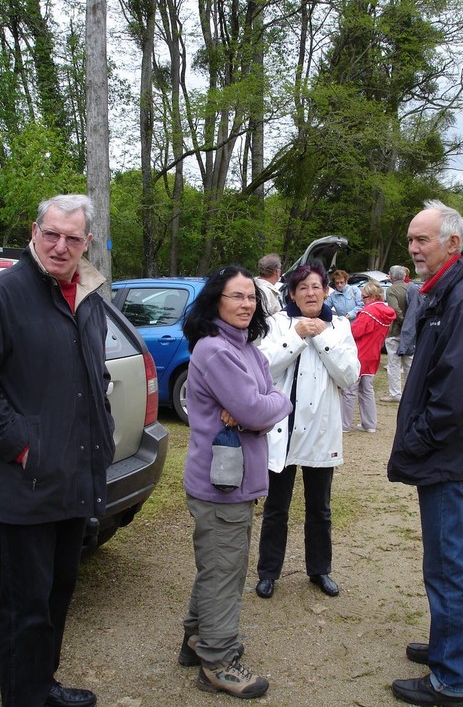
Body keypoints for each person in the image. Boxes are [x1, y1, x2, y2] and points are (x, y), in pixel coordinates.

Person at [0, 194, 115, 707]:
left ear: (87, 242)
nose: (60, 246)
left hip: (74, 479)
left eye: (72, 238)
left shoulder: (85, 296)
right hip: (25, 486)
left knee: (57, 596)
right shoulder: (0, 295)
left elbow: (94, 375)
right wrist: (24, 446)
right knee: (25, 610)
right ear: (35, 230)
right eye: (52, 234)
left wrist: (100, 437)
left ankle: (42, 687)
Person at [388, 200, 463, 707]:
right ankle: (452, 647)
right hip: (443, 454)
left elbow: (454, 397)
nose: (413, 248)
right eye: (411, 240)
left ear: (452, 244)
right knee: (444, 560)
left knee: (446, 564)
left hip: (445, 455)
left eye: (422, 240)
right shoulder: (447, 294)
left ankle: (453, 679)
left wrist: (415, 439)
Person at [179, 266, 292, 700]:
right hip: (220, 485)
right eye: (236, 296)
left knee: (217, 566)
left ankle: (196, 641)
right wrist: (262, 408)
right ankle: (218, 662)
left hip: (233, 481)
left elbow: (261, 403)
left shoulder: (246, 349)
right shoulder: (216, 350)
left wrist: (260, 408)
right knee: (225, 571)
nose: (246, 304)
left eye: (251, 297)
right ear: (216, 302)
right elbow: (258, 408)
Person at [254, 263, 360, 600]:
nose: (310, 293)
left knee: (320, 509)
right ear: (292, 293)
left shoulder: (340, 326)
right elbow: (263, 369)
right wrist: (297, 336)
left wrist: (322, 337)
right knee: (276, 507)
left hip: (320, 432)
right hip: (282, 432)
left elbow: (349, 377)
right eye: (303, 288)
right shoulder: (276, 324)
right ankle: (268, 571)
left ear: (327, 291)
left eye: (316, 287)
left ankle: (319, 569)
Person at [340, 281, 395, 433]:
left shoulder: (368, 313)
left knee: (349, 391)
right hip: (373, 355)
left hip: (359, 354)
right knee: (367, 390)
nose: (362, 300)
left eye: (363, 297)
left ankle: (344, 425)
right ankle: (370, 423)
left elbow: (354, 332)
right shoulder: (386, 311)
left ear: (371, 296)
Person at [381, 265, 413, 403]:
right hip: (411, 331)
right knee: (409, 363)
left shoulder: (391, 290)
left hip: (395, 331)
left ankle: (395, 394)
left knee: (394, 363)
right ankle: (411, 392)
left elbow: (394, 309)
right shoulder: (412, 288)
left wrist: (404, 322)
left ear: (392, 276)